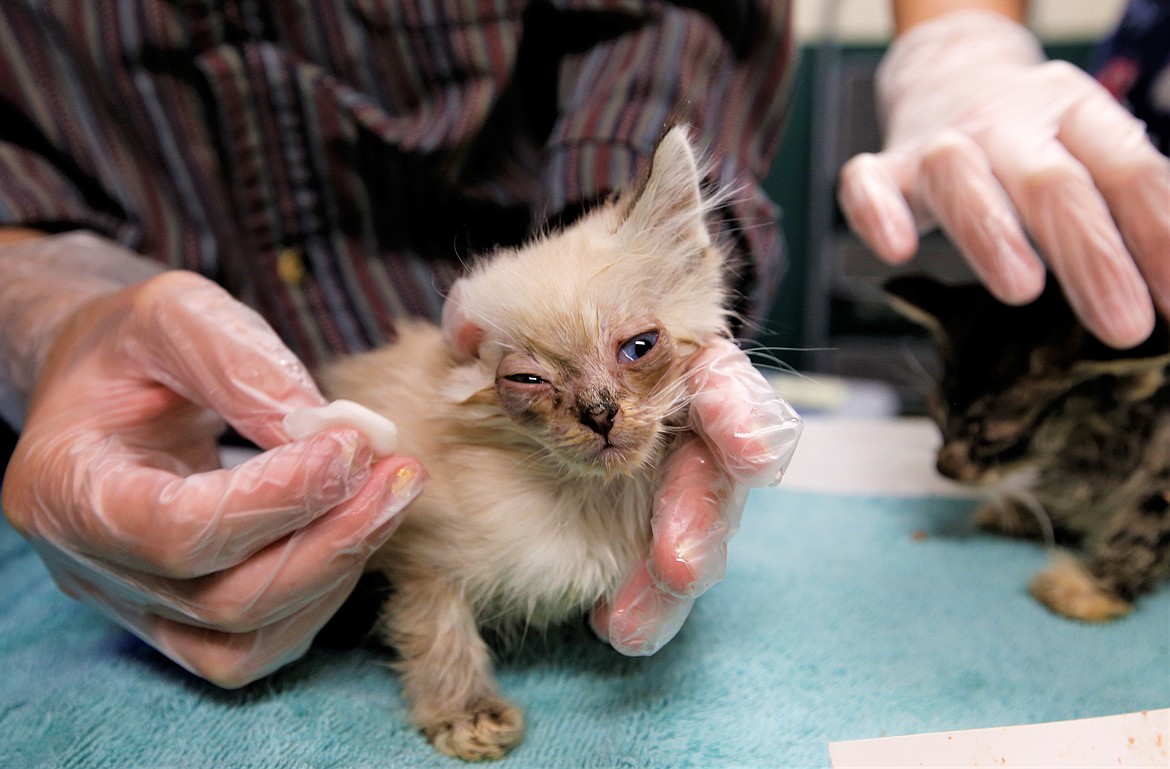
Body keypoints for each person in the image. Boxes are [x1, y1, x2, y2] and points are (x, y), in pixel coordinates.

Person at [0, 0, 1166, 690]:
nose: (605, 410)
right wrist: (46, 312)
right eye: (542, 385)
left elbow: (670, 33)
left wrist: (957, 28)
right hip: (117, 460)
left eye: (641, 353)